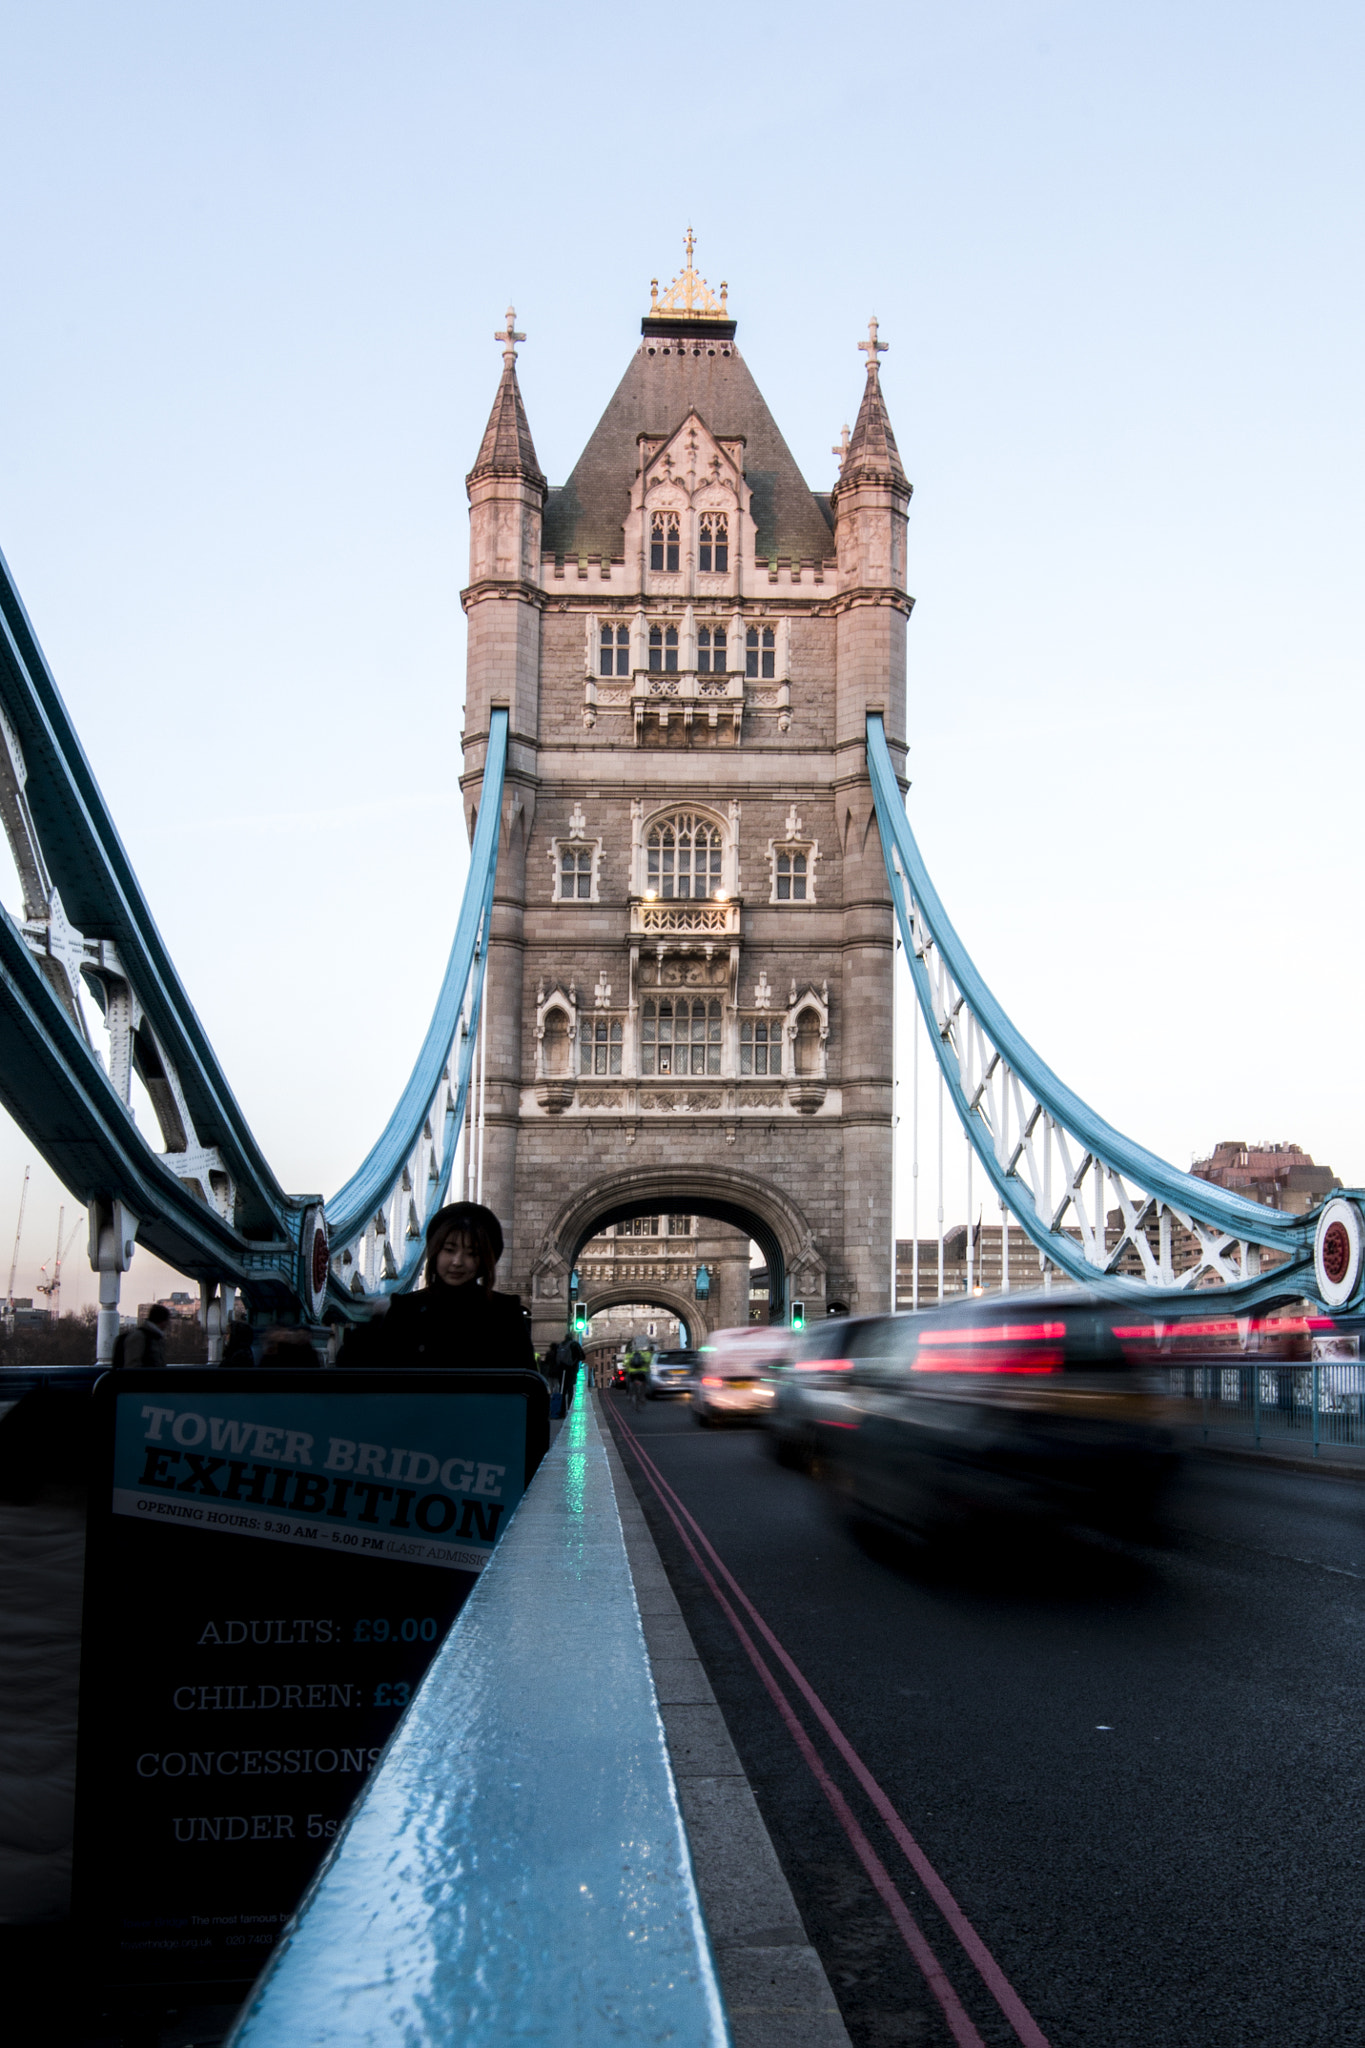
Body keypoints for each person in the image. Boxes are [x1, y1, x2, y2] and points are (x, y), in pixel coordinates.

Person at [339, 1202, 535, 1372]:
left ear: (483, 1260)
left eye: (471, 1253)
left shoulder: (504, 1312)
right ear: (435, 1252)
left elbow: (526, 1388)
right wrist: (374, 1323)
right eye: (449, 1250)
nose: (457, 1262)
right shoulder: (404, 1309)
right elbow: (356, 1370)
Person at [112, 1302, 171, 1369]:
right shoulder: (141, 1337)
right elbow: (132, 1365)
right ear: (162, 1321)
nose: (168, 1324)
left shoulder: (152, 1336)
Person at [624, 1340, 650, 1410]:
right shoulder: (644, 1354)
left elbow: (625, 1362)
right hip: (641, 1372)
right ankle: (642, 1396)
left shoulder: (630, 1355)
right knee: (645, 1383)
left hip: (632, 1373)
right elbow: (648, 1361)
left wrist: (627, 1366)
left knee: (629, 1382)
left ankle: (630, 1394)